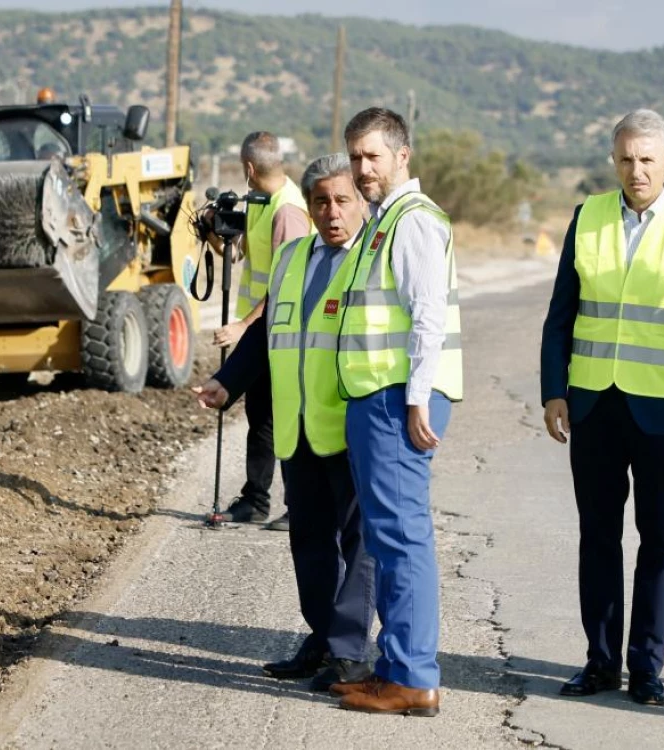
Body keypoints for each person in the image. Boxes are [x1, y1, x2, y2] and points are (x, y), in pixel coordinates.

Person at [541, 109, 664, 706]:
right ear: (613, 161)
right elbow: (561, 313)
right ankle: (600, 662)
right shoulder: (586, 217)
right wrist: (554, 390)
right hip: (593, 406)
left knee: (658, 540)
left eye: (646, 159)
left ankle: (648, 670)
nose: (635, 170)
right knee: (598, 536)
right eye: (625, 159)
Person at [193, 153, 376, 691]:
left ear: (361, 202)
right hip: (299, 432)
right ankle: (322, 641)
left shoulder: (375, 257)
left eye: (343, 200)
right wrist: (229, 380)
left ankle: (350, 653)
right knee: (310, 543)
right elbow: (268, 329)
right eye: (321, 201)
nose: (332, 212)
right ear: (311, 204)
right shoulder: (295, 256)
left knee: (357, 545)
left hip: (354, 429)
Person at [330, 108, 463, 716]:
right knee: (387, 542)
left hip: (395, 402)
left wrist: (415, 399)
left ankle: (412, 678)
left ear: (401, 157)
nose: (361, 169)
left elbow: (428, 316)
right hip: (377, 401)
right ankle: (393, 669)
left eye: (372, 157)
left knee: (402, 541)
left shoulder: (412, 221)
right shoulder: (382, 223)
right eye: (355, 157)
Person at [213, 131, 310, 529]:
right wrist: (215, 233)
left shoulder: (288, 211)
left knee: (285, 416)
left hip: (284, 330)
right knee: (262, 416)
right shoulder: (261, 201)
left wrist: (242, 327)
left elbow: (287, 283)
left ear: (249, 168)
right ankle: (256, 500)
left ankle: (299, 506)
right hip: (262, 332)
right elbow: (240, 257)